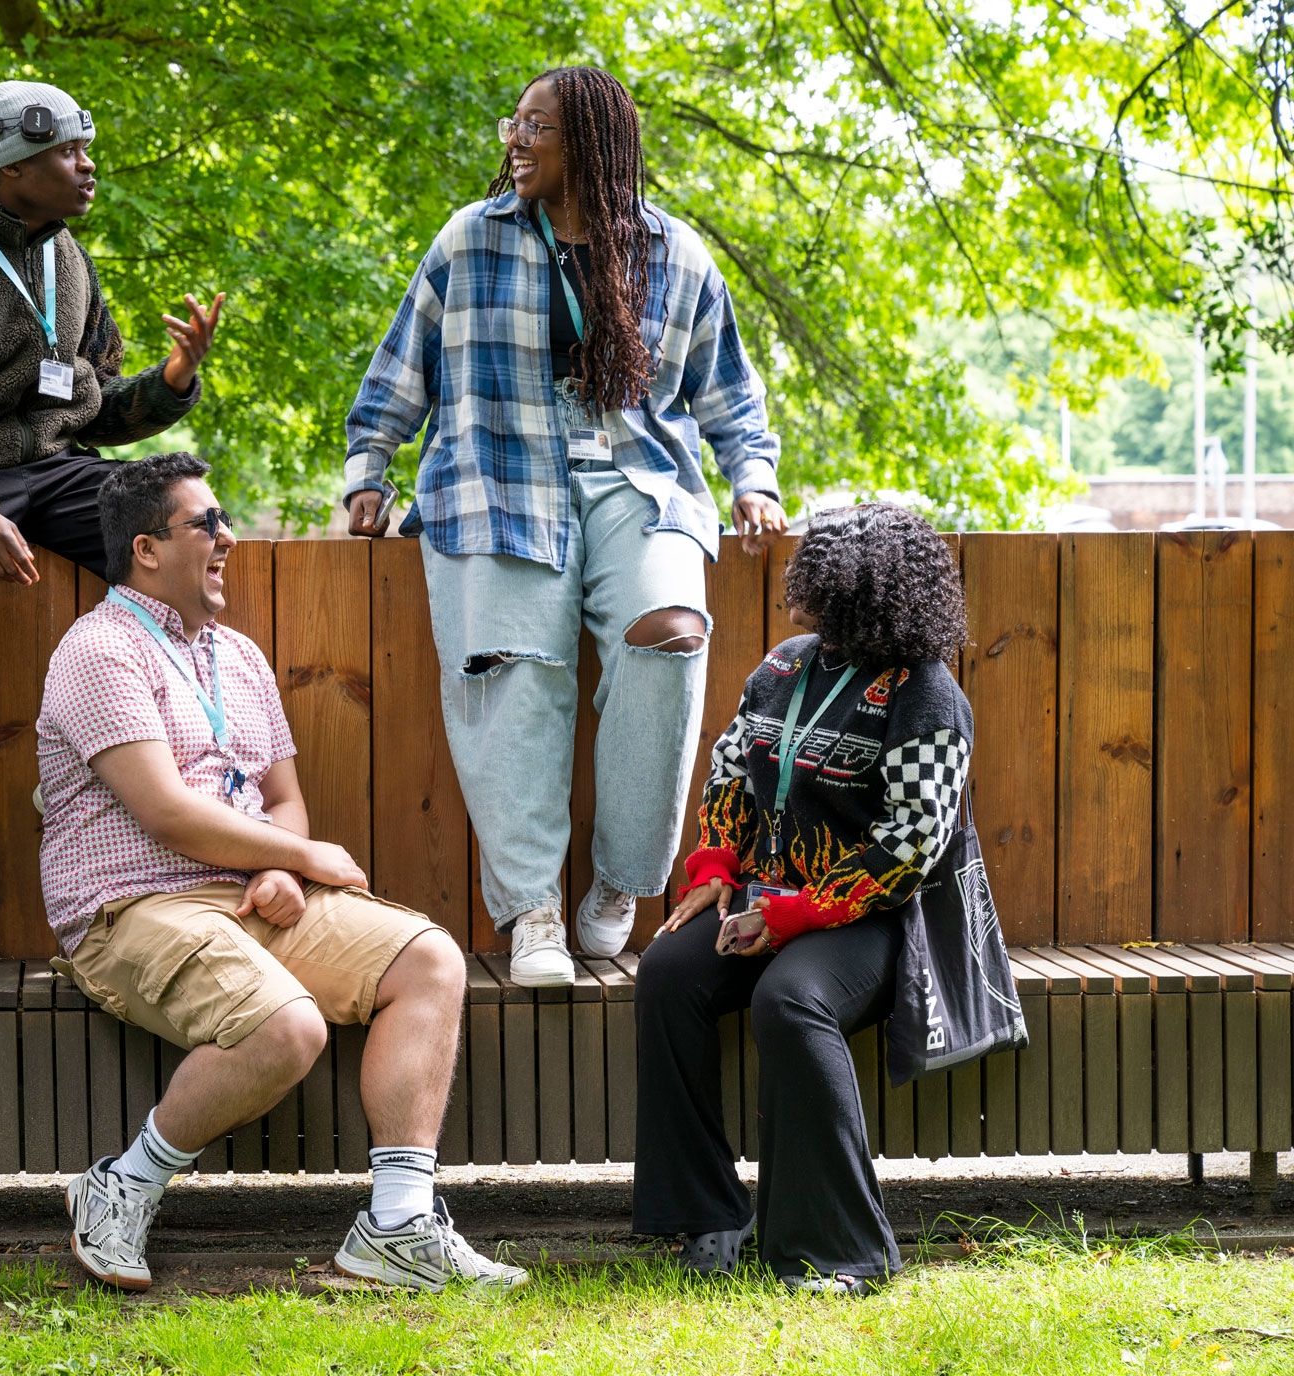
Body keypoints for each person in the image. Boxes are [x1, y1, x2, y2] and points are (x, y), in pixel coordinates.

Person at [36, 452, 527, 1294]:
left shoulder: (240, 657)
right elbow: (166, 812)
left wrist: (285, 871)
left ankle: (398, 1227)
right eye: (207, 524)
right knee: (284, 1028)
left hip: (251, 897)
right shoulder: (101, 650)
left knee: (430, 960)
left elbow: (282, 796)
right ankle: (122, 1186)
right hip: (131, 906)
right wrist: (298, 855)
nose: (227, 538)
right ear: (147, 549)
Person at [341, 66, 787, 988]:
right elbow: (401, 366)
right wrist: (366, 475)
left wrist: (755, 479)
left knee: (672, 632)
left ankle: (620, 882)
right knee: (514, 674)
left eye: (536, 126)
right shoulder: (471, 239)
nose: (516, 138)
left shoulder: (675, 254)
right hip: (496, 482)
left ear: (587, 142)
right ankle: (533, 910)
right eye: (517, 122)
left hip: (640, 482)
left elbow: (729, 390)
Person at [0, 78, 225, 966]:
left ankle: (155, 789)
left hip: (52, 473)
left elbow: (90, 414)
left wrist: (174, 381)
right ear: (12, 167)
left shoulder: (73, 263)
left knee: (184, 541)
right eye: (69, 152)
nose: (88, 167)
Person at [634, 502, 973, 1294]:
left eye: (819, 587)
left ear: (868, 597)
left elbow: (912, 849)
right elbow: (731, 768)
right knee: (668, 975)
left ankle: (837, 1252)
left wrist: (796, 916)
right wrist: (715, 864)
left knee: (790, 1000)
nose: (797, 599)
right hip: (766, 899)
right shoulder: (784, 667)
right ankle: (710, 1216)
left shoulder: (927, 697)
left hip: (875, 923)